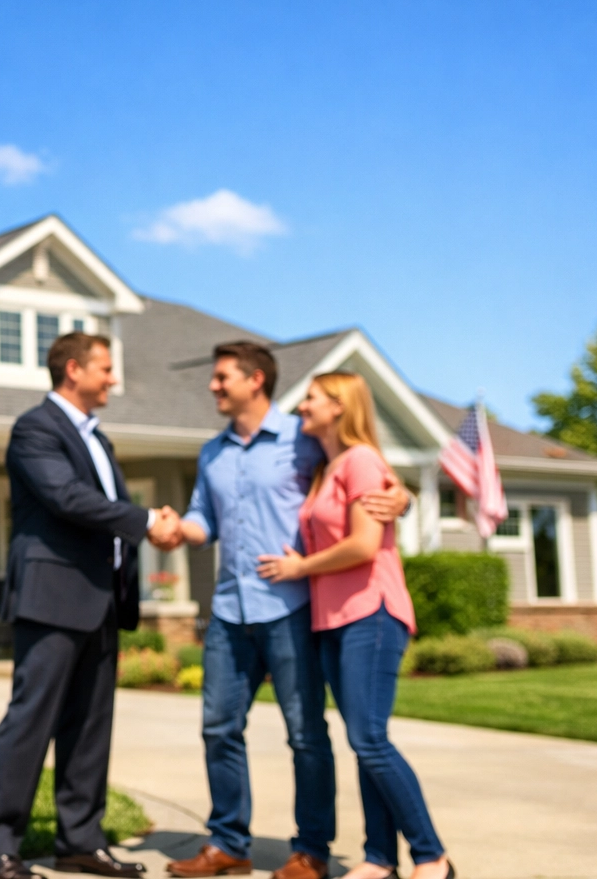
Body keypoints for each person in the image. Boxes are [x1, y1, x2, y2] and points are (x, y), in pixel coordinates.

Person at [162, 343, 408, 879]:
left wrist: (402, 493)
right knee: (219, 726)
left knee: (305, 734)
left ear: (255, 380)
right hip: (230, 609)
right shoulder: (213, 453)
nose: (213, 386)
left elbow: (363, 467)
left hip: (291, 608)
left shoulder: (305, 438)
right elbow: (206, 518)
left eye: (222, 377)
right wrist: (180, 530)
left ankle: (311, 850)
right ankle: (228, 843)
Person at [0, 332, 183, 879]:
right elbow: (67, 498)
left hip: (101, 600)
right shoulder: (36, 428)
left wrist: (146, 526)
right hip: (52, 597)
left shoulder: (98, 440)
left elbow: (100, 506)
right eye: (105, 368)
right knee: (30, 721)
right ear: (72, 370)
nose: (113, 378)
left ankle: (80, 840)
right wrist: (144, 522)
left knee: (90, 725)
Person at [257, 372, 452, 879]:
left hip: (373, 612)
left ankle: (432, 856)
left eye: (313, 399)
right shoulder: (329, 467)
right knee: (366, 740)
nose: (303, 407)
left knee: (369, 739)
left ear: (340, 406)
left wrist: (300, 567)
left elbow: (365, 545)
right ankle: (379, 859)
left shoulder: (362, 459)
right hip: (334, 621)